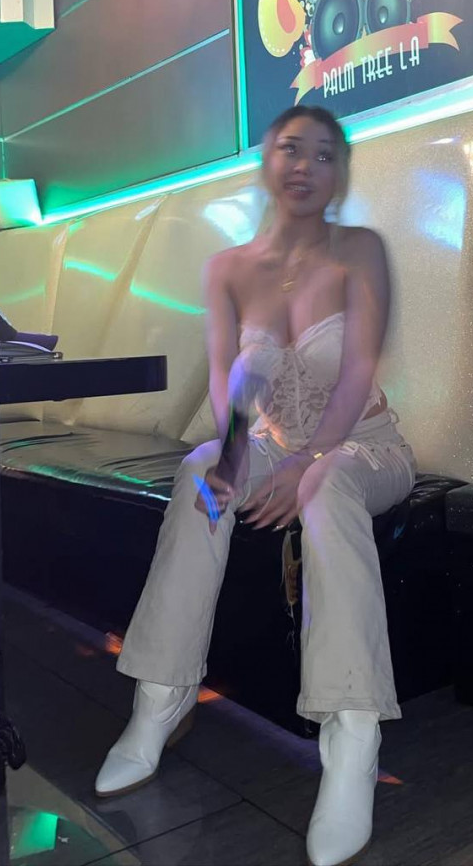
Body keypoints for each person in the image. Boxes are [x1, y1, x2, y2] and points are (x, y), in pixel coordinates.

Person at [95, 105, 417, 866]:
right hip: (270, 445)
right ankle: (161, 697)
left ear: (340, 174)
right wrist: (238, 455)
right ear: (267, 162)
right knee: (200, 472)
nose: (306, 166)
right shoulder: (229, 269)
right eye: (291, 149)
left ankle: (352, 739)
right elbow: (224, 380)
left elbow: (359, 371)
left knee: (325, 485)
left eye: (325, 155)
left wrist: (308, 463)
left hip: (363, 447)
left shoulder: (361, 250)